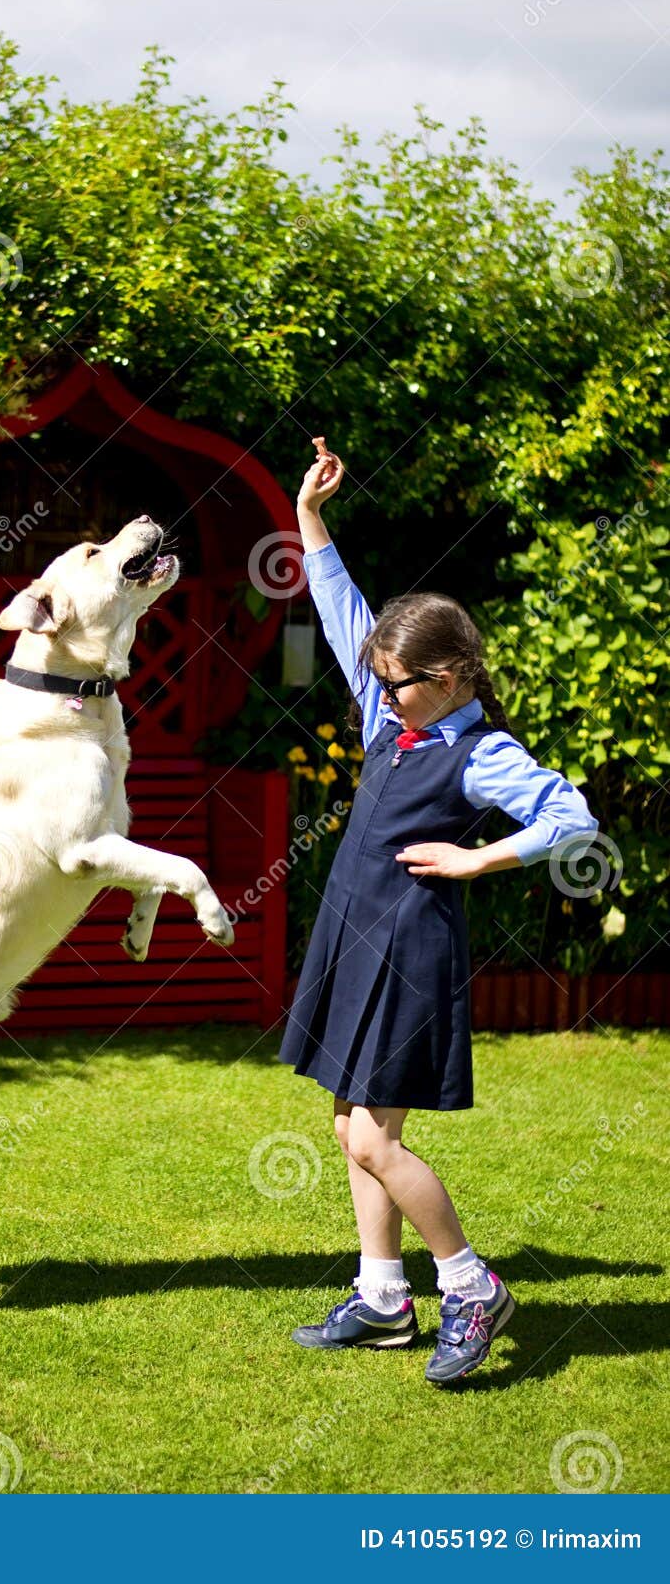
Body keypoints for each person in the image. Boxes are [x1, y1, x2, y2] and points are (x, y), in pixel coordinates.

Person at [279, 437, 600, 1384]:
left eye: (400, 682)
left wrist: (477, 856)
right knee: (349, 1122)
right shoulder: (394, 715)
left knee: (373, 1136)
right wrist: (311, 517)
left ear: (453, 677)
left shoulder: (479, 750)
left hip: (411, 949)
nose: (380, 694)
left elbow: (570, 814)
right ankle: (384, 1299)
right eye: (379, 680)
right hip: (353, 932)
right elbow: (344, 613)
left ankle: (470, 1287)